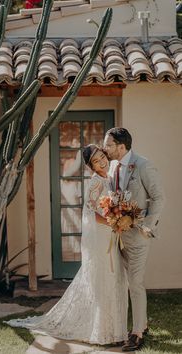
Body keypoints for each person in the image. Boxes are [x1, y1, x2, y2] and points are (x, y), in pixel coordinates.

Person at [5, 144, 128, 346]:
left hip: (112, 235)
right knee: (103, 278)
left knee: (114, 279)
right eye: (96, 161)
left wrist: (121, 218)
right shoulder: (96, 182)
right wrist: (114, 221)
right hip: (101, 236)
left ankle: (115, 329)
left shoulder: (112, 178)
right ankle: (103, 331)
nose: (102, 162)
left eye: (101, 157)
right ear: (91, 166)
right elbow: (90, 211)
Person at [103, 127, 165, 352]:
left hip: (138, 235)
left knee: (135, 283)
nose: (105, 148)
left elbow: (159, 198)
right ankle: (144, 324)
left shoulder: (143, 165)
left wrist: (147, 226)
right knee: (124, 282)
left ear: (122, 146)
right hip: (117, 236)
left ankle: (137, 333)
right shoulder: (111, 166)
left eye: (109, 145)